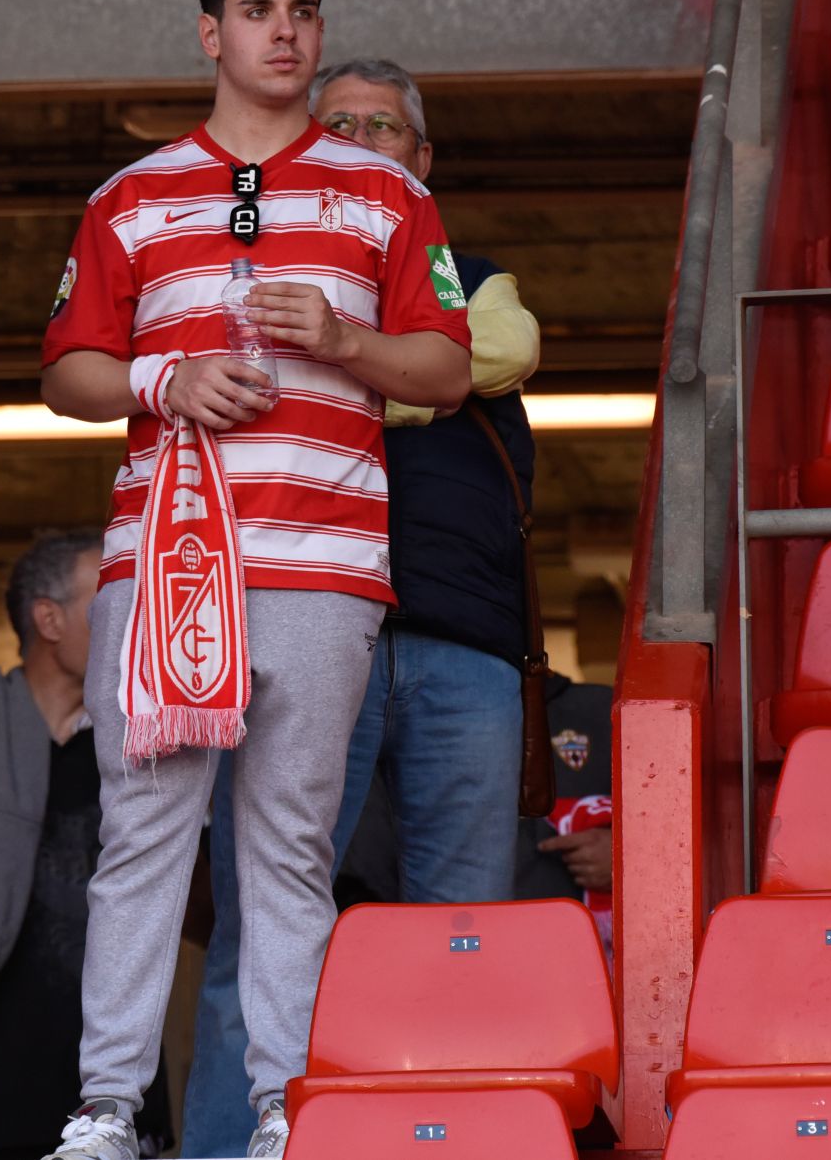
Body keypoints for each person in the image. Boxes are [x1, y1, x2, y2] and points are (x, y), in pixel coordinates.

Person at [38, 0, 472, 1160]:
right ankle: (107, 1108)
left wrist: (342, 341)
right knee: (144, 837)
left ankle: (288, 1103)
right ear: (209, 32)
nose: (284, 31)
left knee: (288, 842)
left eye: (303, 10)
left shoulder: (390, 191)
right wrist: (165, 379)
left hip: (325, 566)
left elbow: (444, 369)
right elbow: (65, 371)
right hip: (165, 561)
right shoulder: (128, 195)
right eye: (258, 9)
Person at [180, 56, 542, 1154]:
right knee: (262, 928)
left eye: (386, 126)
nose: (365, 137)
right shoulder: (251, 282)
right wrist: (414, 369)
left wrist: (354, 353)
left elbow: (505, 348)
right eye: (339, 122)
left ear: (422, 161)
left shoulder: (469, 273)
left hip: (462, 643)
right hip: (305, 628)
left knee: (462, 936)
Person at [0, 530, 173, 1160]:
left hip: (114, 1093)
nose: (137, 616)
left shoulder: (144, 754)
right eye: (114, 597)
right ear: (49, 618)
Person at [520, 674, 615, 949]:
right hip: (473, 944)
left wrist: (635, 860)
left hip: (592, 960)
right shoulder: (424, 717)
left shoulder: (602, 708)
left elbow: (707, 824)